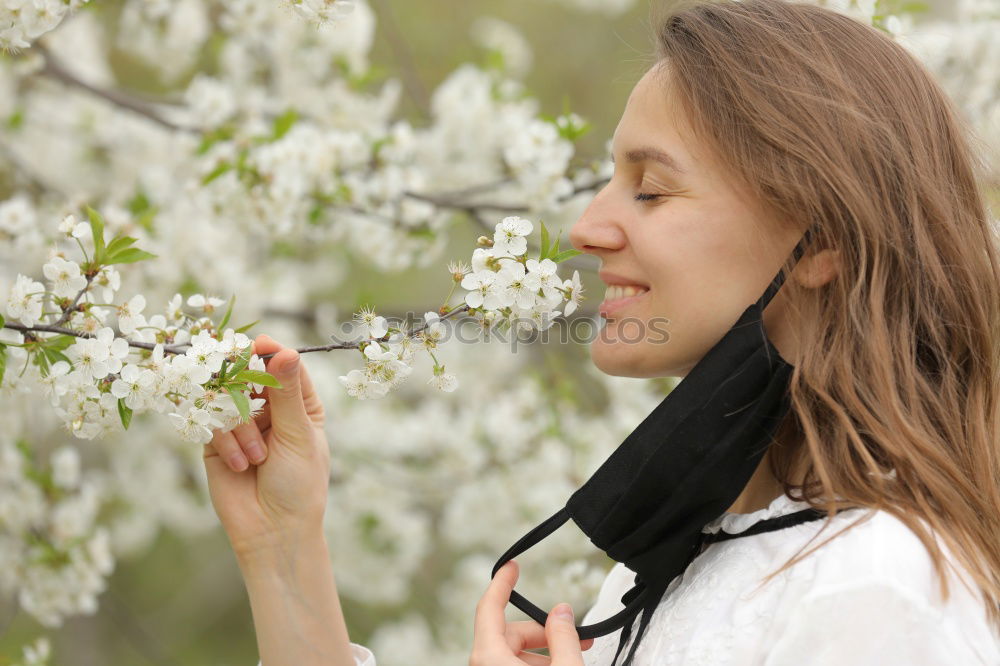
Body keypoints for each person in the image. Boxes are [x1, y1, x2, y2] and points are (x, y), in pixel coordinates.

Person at [204, 1, 1000, 664]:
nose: (584, 228)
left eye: (650, 189)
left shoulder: (881, 584)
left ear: (821, 240)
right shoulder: (670, 568)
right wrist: (283, 550)